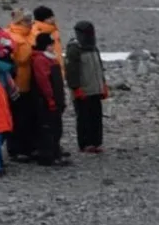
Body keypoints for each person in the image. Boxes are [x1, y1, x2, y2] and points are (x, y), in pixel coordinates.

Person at [65, 21, 109, 153]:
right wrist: (75, 87)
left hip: (95, 88)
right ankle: (85, 143)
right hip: (83, 89)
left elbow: (99, 68)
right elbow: (71, 70)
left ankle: (96, 142)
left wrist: (103, 84)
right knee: (84, 117)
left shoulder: (93, 47)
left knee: (96, 116)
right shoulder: (74, 49)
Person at [30, 32, 69, 167]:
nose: (53, 47)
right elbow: (44, 82)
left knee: (56, 128)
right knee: (48, 128)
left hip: (54, 99)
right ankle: (48, 156)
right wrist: (50, 98)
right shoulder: (41, 60)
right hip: (47, 100)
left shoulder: (49, 59)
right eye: (51, 45)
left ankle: (54, 153)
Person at [6, 10, 36, 161]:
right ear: (19, 22)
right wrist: (31, 54)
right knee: (17, 117)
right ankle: (15, 149)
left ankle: (27, 146)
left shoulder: (28, 35)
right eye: (27, 20)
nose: (31, 23)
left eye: (31, 20)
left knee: (27, 117)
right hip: (17, 84)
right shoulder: (12, 37)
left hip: (29, 82)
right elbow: (14, 59)